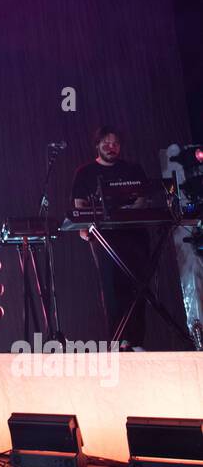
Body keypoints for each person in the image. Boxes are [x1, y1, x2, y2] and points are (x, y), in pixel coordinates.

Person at [71, 126, 149, 350]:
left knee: (138, 286)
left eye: (115, 143)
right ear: (97, 145)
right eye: (106, 143)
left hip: (133, 234)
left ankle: (137, 341)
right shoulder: (85, 173)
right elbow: (80, 205)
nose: (111, 147)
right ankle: (119, 340)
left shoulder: (133, 169)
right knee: (112, 288)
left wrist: (126, 215)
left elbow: (142, 199)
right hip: (104, 235)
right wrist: (85, 227)